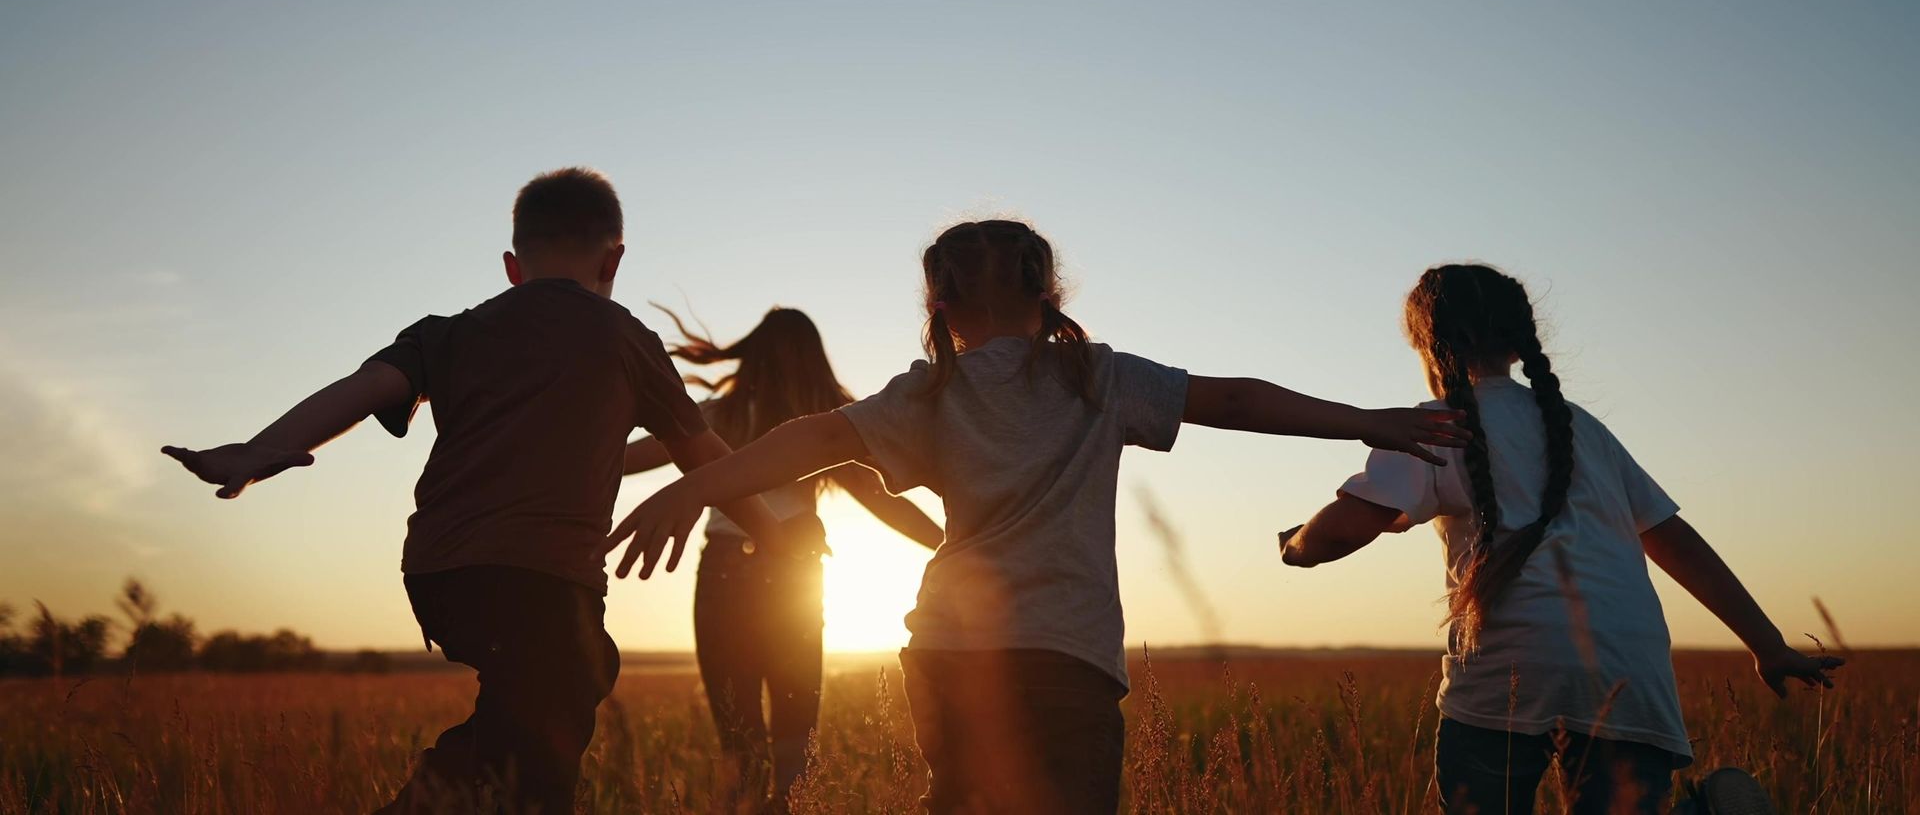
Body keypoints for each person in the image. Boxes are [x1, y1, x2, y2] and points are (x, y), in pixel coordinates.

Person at [604, 218, 1470, 814]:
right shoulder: (1099, 378)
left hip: (948, 653)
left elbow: (817, 438)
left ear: (936, 303)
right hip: (1066, 657)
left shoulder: (929, 392)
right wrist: (1363, 419)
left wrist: (690, 488)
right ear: (1048, 291)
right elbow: (1235, 398)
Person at [160, 167, 790, 815]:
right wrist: (777, 535)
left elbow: (363, 386)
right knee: (556, 709)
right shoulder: (625, 338)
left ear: (513, 266)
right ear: (615, 258)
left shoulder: (448, 333)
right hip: (544, 578)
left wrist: (260, 449)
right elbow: (707, 460)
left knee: (536, 706)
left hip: (440, 574)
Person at [1279, 263, 1844, 815]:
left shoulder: (1432, 425)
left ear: (1426, 342)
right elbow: (1673, 538)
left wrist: (1295, 545)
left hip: (1508, 671)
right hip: (1629, 668)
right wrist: (1766, 644)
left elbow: (1346, 529)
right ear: (1522, 343)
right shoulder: (1580, 427)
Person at [621, 305, 944, 809]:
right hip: (795, 575)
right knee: (795, 738)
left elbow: (624, 461)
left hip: (726, 575)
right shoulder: (825, 428)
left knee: (738, 741)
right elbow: (885, 503)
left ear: (751, 357)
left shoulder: (714, 418)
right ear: (814, 362)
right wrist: (954, 544)